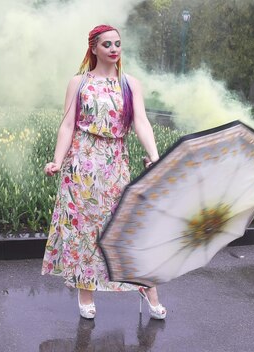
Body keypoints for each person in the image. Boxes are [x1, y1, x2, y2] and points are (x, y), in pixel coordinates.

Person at [41, 24, 167, 320]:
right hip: (81, 166)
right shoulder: (79, 82)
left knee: (128, 228)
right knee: (85, 231)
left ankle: (148, 288)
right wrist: (57, 160)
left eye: (118, 44)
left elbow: (142, 123)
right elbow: (68, 124)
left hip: (115, 164)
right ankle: (86, 294)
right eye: (107, 44)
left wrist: (155, 156)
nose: (114, 49)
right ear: (94, 48)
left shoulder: (130, 84)